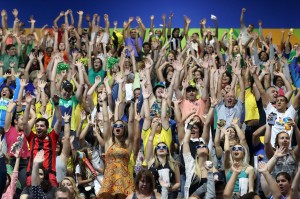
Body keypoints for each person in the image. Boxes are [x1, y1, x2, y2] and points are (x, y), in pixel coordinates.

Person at [96, 90, 134, 199]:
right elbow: (106, 120)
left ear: (124, 130)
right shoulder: (108, 142)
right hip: (109, 179)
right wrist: (103, 102)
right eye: (115, 126)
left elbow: (131, 122)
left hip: (124, 179)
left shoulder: (127, 144)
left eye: (121, 126)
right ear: (113, 130)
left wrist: (132, 105)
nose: (118, 127)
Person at [23, 94, 62, 187]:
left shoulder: (52, 137)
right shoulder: (32, 138)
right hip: (33, 174)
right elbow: (25, 123)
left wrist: (56, 105)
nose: (39, 128)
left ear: (47, 128)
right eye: (37, 126)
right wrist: (28, 105)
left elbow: (59, 121)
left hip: (49, 175)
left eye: (42, 126)